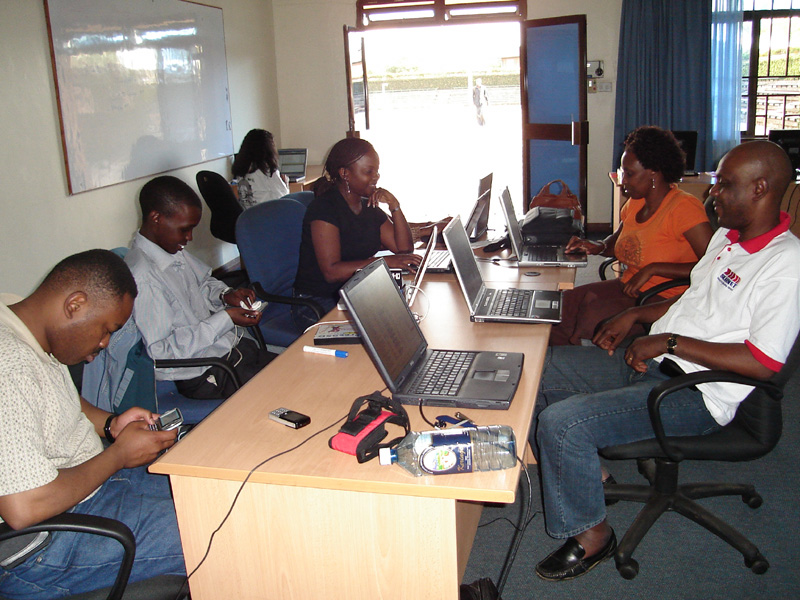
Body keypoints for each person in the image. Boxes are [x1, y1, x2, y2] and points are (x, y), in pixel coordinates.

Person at [531, 140, 800, 581]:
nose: (713, 194)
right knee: (535, 370)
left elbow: (763, 364)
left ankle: (593, 535)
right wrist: (637, 315)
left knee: (562, 424)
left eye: (725, 185)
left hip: (697, 394)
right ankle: (587, 478)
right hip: (656, 364)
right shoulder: (727, 239)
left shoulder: (786, 265)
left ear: (760, 188)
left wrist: (669, 342)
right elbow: (694, 300)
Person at [0, 250, 185, 599]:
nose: (104, 343)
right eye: (106, 330)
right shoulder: (9, 366)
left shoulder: (15, 315)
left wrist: (112, 424)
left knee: (212, 490)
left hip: (88, 485)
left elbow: (51, 398)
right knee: (219, 524)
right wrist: (119, 455)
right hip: (45, 544)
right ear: (75, 305)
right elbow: (24, 508)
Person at [550, 126, 713, 345]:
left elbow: (715, 265)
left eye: (630, 174)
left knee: (591, 320)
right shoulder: (636, 203)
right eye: (622, 172)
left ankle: (569, 359)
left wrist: (654, 269)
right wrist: (597, 246)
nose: (623, 180)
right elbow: (617, 241)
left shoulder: (684, 208)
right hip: (629, 286)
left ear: (654, 173)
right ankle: (543, 355)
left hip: (665, 298)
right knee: (561, 305)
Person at [126, 175, 275, 399]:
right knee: (285, 387)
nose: (189, 237)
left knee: (295, 367)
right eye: (184, 229)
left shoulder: (170, 249)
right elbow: (161, 353)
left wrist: (225, 295)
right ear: (156, 218)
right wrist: (225, 318)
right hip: (202, 372)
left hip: (226, 350)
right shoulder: (144, 278)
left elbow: (203, 283)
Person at [292, 137, 421, 328]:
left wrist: (395, 206)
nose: (376, 177)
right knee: (386, 330)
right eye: (369, 171)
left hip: (353, 293)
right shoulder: (324, 209)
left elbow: (403, 248)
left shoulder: (368, 206)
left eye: (377, 171)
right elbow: (331, 272)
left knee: (405, 320)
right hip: (318, 303)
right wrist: (383, 262)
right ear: (345, 173)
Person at [231, 128, 290, 209]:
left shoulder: (241, 169)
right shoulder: (267, 170)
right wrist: (286, 183)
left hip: (249, 214)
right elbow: (284, 198)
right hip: (266, 213)